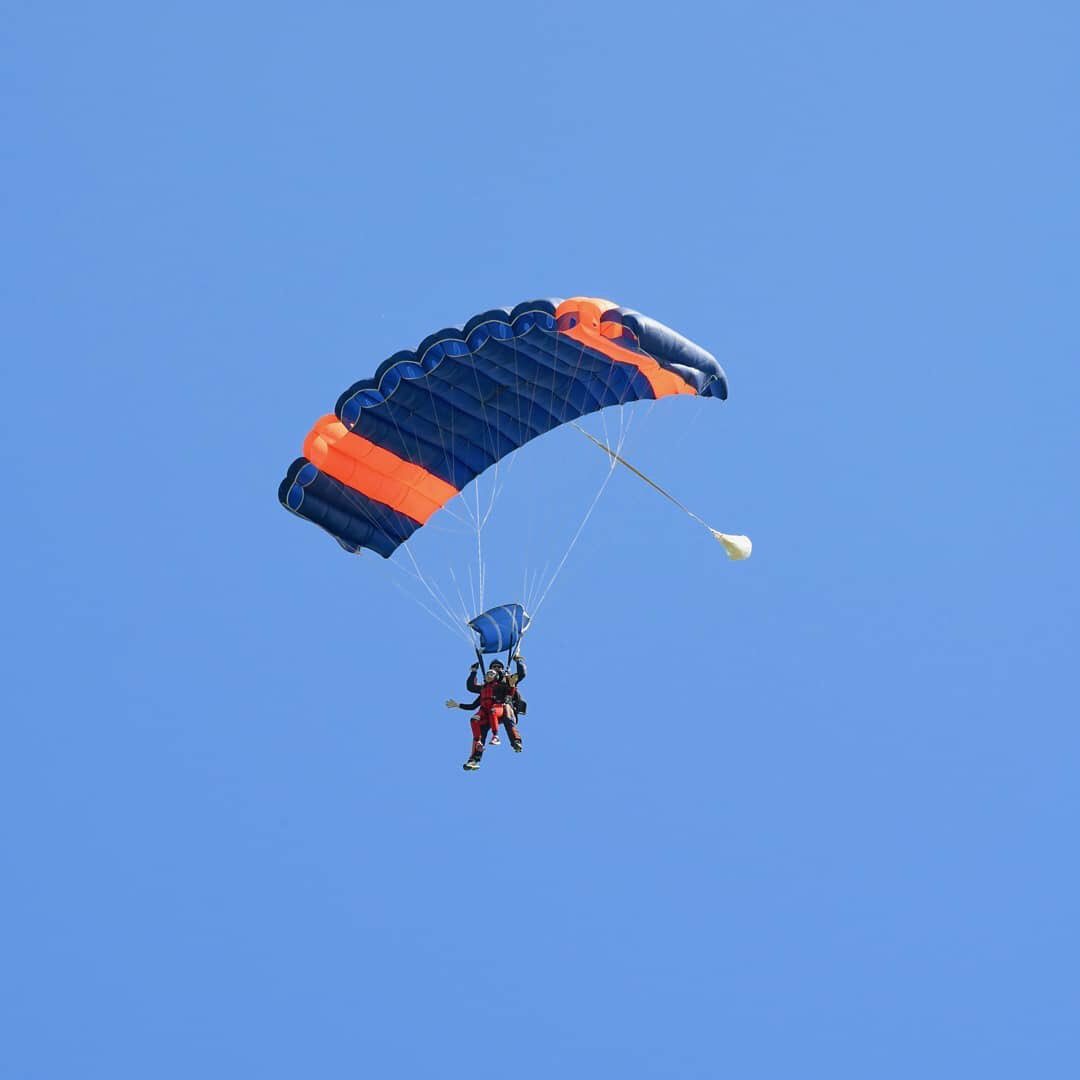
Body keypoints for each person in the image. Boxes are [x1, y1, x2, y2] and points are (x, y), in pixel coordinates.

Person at [445, 654, 527, 770]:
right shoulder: (485, 687)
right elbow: (471, 688)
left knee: (508, 720)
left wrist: (518, 660)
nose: (496, 669)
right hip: (488, 712)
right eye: (494, 667)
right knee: (480, 729)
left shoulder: (506, 681)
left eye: (499, 667)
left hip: (503, 708)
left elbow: (521, 674)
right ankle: (474, 759)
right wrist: (473, 671)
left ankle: (516, 741)